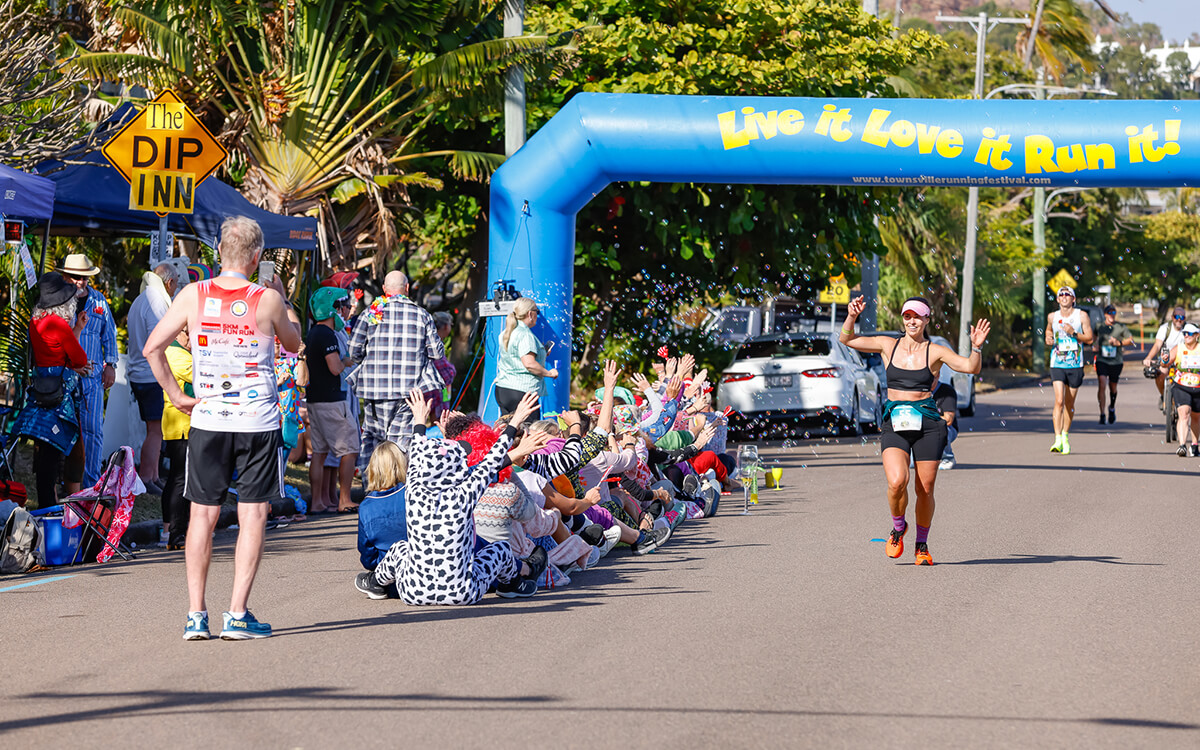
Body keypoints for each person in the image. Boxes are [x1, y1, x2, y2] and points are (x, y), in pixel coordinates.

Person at [143, 216, 302, 641]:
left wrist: (176, 396)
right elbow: (292, 343)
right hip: (256, 421)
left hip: (209, 418)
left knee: (202, 516)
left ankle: (196, 615)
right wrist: (288, 311)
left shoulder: (193, 294)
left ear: (218, 254)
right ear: (256, 257)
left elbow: (151, 347)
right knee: (253, 515)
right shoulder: (266, 299)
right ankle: (237, 613)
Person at [357, 388, 549, 603]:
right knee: (501, 549)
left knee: (400, 548)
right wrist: (517, 421)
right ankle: (513, 584)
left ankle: (375, 583)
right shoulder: (465, 492)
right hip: (462, 592)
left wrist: (420, 418)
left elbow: (418, 448)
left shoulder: (412, 489)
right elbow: (491, 461)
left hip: (413, 593)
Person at [840, 295, 989, 566]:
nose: (912, 321)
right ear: (903, 319)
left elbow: (969, 367)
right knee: (897, 482)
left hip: (928, 424)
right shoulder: (888, 345)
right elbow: (847, 340)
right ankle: (898, 529)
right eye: (907, 316)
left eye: (917, 316)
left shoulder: (936, 351)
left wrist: (976, 348)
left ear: (926, 320)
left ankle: (922, 544)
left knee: (925, 488)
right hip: (895, 422)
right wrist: (852, 316)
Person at [348, 271, 444, 462]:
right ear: (407, 288)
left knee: (374, 439)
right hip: (410, 392)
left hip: (374, 390)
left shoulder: (370, 313)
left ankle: (373, 487)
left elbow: (353, 352)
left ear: (384, 289)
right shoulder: (422, 315)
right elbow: (437, 352)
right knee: (401, 442)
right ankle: (398, 487)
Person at [15, 272, 90, 508]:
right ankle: (53, 506)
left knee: (44, 452)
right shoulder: (59, 325)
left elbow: (54, 356)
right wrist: (75, 360)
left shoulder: (35, 322)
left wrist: (77, 328)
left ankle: (48, 504)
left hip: (41, 391)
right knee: (61, 452)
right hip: (60, 397)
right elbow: (79, 359)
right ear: (62, 302)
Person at [58, 253, 118, 487]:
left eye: (84, 277)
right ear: (65, 276)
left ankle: (91, 484)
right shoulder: (58, 302)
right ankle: (63, 483)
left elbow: (110, 334)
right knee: (62, 431)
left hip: (92, 379)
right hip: (64, 378)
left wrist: (110, 365)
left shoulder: (99, 301)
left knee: (93, 431)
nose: (80, 282)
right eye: (75, 277)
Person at [305, 286, 359, 513]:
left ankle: (318, 501)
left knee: (319, 451)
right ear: (331, 310)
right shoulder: (327, 335)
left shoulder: (312, 333)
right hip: (332, 400)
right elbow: (335, 368)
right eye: (340, 307)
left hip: (315, 398)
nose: (343, 311)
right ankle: (344, 499)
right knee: (350, 448)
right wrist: (347, 361)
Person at [126, 264, 179, 491]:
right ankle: (147, 477)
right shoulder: (157, 300)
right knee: (155, 430)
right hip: (149, 374)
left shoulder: (141, 298)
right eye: (175, 285)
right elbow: (160, 339)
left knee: (155, 428)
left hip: (140, 372)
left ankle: (154, 476)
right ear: (169, 283)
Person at [355, 441, 409, 598]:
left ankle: (377, 583)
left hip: (390, 577)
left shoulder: (366, 506)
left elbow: (367, 555)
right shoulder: (411, 493)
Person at [1045, 286, 1092, 455]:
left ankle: (1065, 435)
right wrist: (1048, 337)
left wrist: (1074, 333)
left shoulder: (1081, 316)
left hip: (1075, 364)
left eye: (1068, 294)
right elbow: (1049, 330)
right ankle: (1057, 439)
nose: (1064, 297)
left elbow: (1090, 338)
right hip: (1057, 363)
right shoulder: (1052, 317)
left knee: (1069, 403)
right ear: (1057, 300)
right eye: (1061, 295)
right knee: (1059, 401)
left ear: (1073, 299)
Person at [494, 297, 556, 419]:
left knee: (509, 432)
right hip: (522, 393)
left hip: (503, 389)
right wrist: (549, 373)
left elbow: (515, 357)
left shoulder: (506, 332)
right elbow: (529, 364)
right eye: (537, 312)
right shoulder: (525, 335)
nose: (537, 315)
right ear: (530, 314)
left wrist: (541, 354)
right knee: (530, 432)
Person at [160, 327, 193, 550]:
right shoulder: (175, 354)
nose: (191, 338)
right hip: (181, 425)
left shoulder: (181, 352)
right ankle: (175, 533)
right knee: (181, 479)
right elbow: (199, 375)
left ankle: (173, 530)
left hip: (184, 424)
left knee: (178, 478)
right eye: (187, 333)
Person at [1094, 304, 1134, 425]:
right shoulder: (1099, 326)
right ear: (1105, 314)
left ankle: (1111, 407)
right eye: (1109, 313)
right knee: (1102, 383)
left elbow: (1131, 340)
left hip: (1116, 362)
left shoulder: (1120, 327)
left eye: (1113, 313)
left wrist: (1119, 343)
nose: (1111, 315)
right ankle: (1102, 414)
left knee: (1113, 387)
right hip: (1102, 360)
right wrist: (1095, 345)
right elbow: (1094, 338)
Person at [1164, 323, 1200, 457]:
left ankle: (1195, 445)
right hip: (1181, 386)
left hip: (1198, 388)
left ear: (1197, 335)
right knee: (1184, 413)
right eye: (1184, 333)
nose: (1186, 336)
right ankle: (1182, 445)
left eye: (1189, 334)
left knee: (1196, 417)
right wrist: (1164, 360)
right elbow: (1165, 362)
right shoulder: (1178, 348)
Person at [1143, 306, 1188, 411]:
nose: (1179, 319)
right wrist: (1149, 358)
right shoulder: (1165, 328)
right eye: (1177, 316)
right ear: (1172, 317)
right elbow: (1157, 345)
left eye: (1182, 317)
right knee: (1160, 374)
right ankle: (1164, 396)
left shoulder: (1188, 330)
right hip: (1166, 359)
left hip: (1183, 361)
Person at [428, 311, 457, 418]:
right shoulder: (436, 345)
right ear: (445, 326)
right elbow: (447, 374)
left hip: (430, 391)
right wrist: (452, 370)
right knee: (439, 419)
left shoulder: (429, 340)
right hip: (438, 392)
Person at [933, 381, 958, 470]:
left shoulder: (947, 391)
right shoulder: (918, 391)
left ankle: (948, 458)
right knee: (912, 464)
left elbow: (948, 420)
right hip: (921, 428)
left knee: (940, 428)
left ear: (938, 376)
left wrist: (927, 419)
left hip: (948, 429)